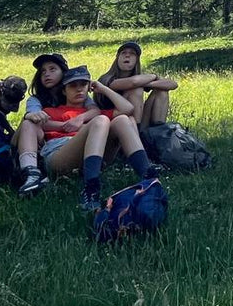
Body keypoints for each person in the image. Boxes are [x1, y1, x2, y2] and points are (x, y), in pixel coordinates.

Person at [16, 65, 160, 210]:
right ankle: (91, 189)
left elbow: (128, 109)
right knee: (101, 121)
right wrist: (67, 125)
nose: (79, 89)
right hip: (60, 153)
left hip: (94, 154)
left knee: (122, 120)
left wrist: (103, 88)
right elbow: (36, 125)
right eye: (73, 86)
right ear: (64, 91)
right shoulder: (51, 111)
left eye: (83, 85)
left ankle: (148, 176)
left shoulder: (94, 112)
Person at [14, 53, 68, 194]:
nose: (46, 74)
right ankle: (31, 173)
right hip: (40, 141)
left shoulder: (75, 94)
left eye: (52, 69)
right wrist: (65, 125)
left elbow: (93, 111)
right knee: (29, 122)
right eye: (43, 71)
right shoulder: (36, 99)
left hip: (66, 144)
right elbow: (35, 115)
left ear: (64, 72)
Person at [96, 40, 179, 129]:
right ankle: (136, 132)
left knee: (161, 91)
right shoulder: (107, 79)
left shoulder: (141, 79)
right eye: (123, 53)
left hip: (138, 119)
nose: (127, 55)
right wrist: (153, 76)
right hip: (115, 123)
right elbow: (133, 82)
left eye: (132, 53)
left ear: (136, 60)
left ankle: (159, 131)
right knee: (136, 89)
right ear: (117, 58)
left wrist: (147, 84)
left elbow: (173, 84)